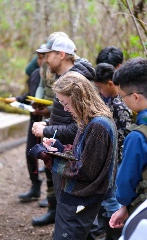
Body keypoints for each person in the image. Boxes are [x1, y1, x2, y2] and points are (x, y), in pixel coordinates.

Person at [29, 71, 118, 240]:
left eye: (66, 102)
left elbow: (85, 170)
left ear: (78, 98)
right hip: (80, 197)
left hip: (81, 198)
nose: (65, 108)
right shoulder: (87, 120)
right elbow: (82, 154)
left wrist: (50, 157)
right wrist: (59, 148)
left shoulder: (98, 126)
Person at [31, 35, 96, 226]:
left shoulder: (76, 83)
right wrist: (48, 124)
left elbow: (80, 127)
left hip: (73, 159)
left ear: (61, 54)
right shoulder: (66, 79)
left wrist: (47, 129)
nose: (45, 60)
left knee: (76, 218)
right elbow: (66, 117)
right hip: (63, 155)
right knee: (66, 212)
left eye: (48, 54)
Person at [87, 63, 133, 240]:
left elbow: (126, 137)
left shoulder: (121, 106)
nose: (98, 90)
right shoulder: (105, 100)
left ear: (110, 83)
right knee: (107, 199)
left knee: (114, 200)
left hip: (118, 160)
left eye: (99, 87)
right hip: (108, 160)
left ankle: (115, 235)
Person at [6, 50, 50, 202]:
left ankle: (52, 197)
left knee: (50, 155)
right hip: (34, 119)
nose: (41, 61)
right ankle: (35, 186)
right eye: (38, 58)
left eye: (44, 58)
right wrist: (15, 99)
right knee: (30, 153)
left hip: (50, 121)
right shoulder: (35, 74)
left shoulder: (54, 75)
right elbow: (28, 95)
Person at [109, 57, 147, 229]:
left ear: (136, 97)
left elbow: (125, 183)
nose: (121, 101)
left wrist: (125, 204)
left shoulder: (138, 136)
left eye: (122, 97)